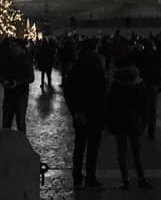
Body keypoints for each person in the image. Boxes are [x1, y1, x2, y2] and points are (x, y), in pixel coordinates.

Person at [64, 39, 107, 189]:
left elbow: (68, 92)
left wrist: (75, 111)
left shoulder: (76, 67)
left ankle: (77, 177)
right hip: (95, 113)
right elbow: (103, 92)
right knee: (93, 148)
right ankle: (90, 177)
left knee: (79, 146)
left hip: (80, 114)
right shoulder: (98, 67)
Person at [106, 56, 152, 190]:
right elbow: (145, 103)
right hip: (135, 120)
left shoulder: (115, 82)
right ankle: (141, 178)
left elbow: (110, 104)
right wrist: (145, 120)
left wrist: (109, 122)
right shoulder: (139, 82)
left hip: (119, 120)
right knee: (136, 151)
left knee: (121, 152)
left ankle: (125, 180)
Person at [0, 38, 35, 133]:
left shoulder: (26, 60)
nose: (13, 48)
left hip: (21, 94)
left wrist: (18, 83)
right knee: (6, 122)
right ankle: (7, 142)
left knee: (20, 122)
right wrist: (4, 81)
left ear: (20, 47)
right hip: (9, 94)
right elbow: (0, 73)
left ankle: (22, 142)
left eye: (15, 46)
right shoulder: (8, 59)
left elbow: (31, 77)